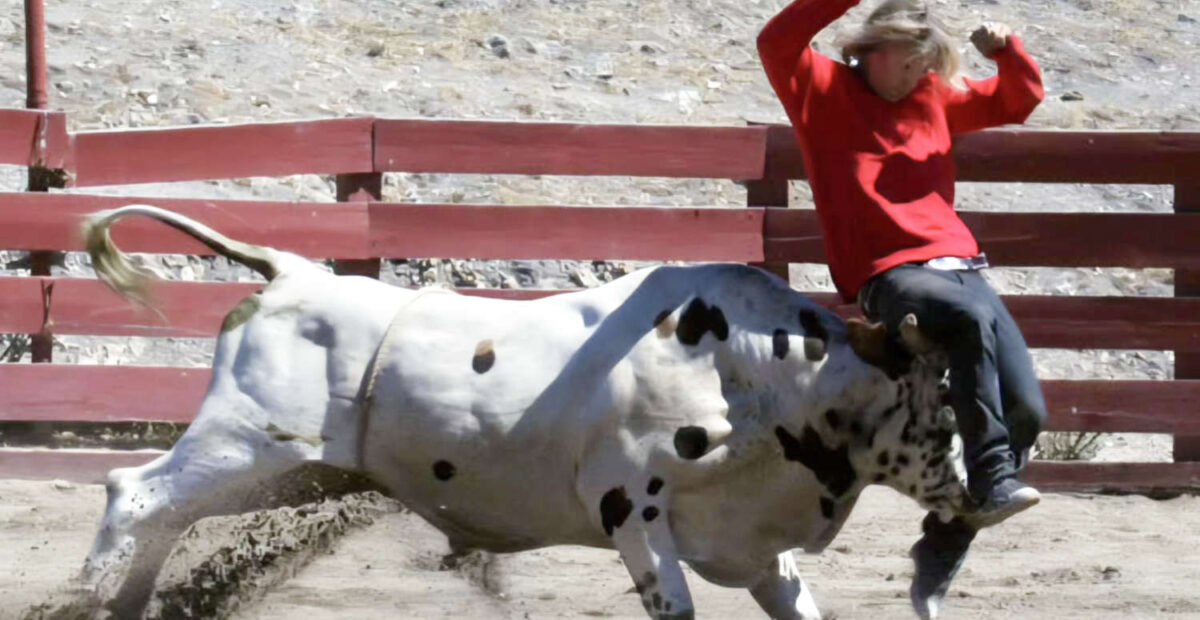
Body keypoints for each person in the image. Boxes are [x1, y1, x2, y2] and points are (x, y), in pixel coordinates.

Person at [757, 0, 1048, 616]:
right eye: (910, 62)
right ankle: (991, 475)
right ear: (870, 49)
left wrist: (1007, 52)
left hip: (961, 269)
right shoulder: (821, 87)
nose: (919, 75)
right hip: (889, 276)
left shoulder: (934, 98)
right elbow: (776, 39)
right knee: (965, 322)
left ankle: (946, 537)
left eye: (927, 65)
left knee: (1028, 409)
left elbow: (1017, 100)